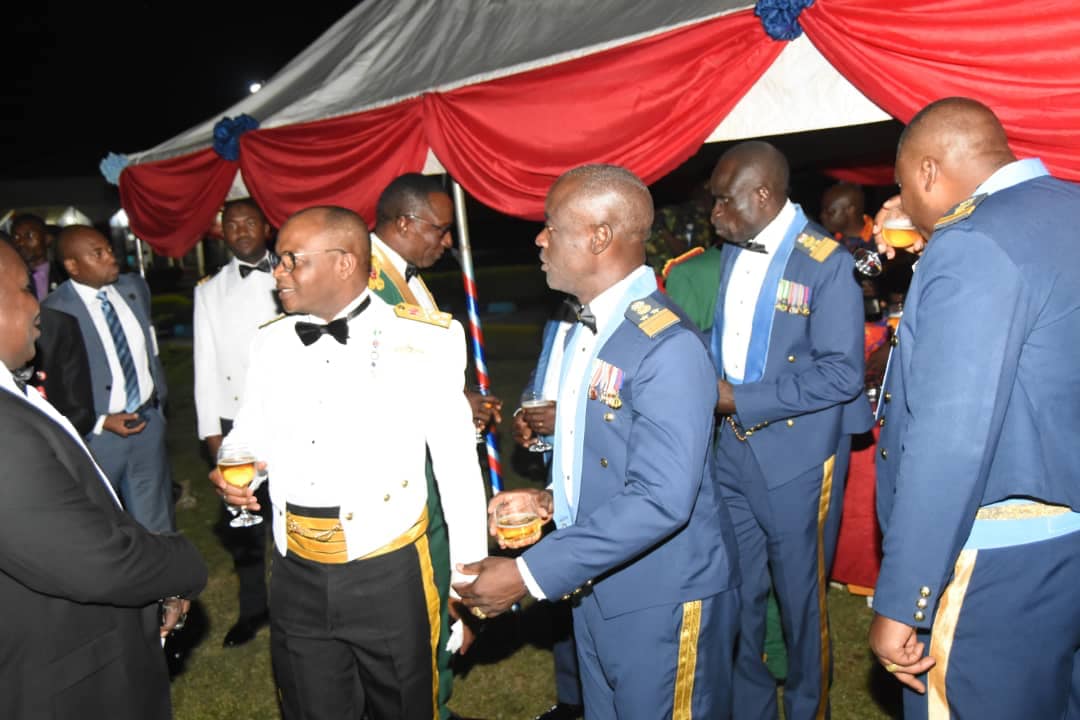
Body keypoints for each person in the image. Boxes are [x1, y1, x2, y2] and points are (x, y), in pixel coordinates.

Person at [454, 164, 741, 719]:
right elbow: (614, 454)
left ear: (599, 236)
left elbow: (661, 499)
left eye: (551, 225)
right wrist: (549, 501)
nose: (540, 239)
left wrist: (528, 574)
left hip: (662, 596)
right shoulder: (593, 328)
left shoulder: (665, 345)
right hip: (598, 581)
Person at [210, 205, 487, 720]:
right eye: (279, 259)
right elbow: (247, 434)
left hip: (389, 567)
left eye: (292, 260)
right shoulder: (270, 341)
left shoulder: (425, 339)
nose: (278, 272)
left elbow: (457, 470)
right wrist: (236, 466)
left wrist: (467, 585)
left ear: (343, 263)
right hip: (294, 567)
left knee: (404, 706)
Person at [870, 97, 1080, 719]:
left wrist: (905, 597)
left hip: (997, 555)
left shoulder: (971, 244)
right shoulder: (1065, 207)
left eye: (904, 186)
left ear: (928, 171)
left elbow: (950, 438)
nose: (903, 202)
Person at [695, 140, 871, 720]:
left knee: (800, 603)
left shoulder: (826, 262)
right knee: (737, 594)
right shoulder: (732, 250)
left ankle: (807, 708)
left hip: (797, 457)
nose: (714, 213)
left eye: (725, 201)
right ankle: (751, 708)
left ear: (764, 194)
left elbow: (841, 374)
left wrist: (738, 399)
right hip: (730, 450)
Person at [0, 239, 208, 719]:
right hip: (61, 683)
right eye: (24, 289)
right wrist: (183, 563)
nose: (37, 304)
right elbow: (96, 561)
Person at [370, 172, 501, 719]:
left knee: (433, 587)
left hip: (425, 454)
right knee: (416, 591)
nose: (446, 242)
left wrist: (459, 401)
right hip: (394, 471)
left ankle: (433, 699)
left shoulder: (405, 277)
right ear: (405, 223)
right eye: (440, 230)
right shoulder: (366, 280)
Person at [43, 225, 174, 533]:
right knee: (102, 528)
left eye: (109, 250)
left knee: (157, 525)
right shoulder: (54, 310)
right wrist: (100, 421)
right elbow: (54, 386)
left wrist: (158, 405)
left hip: (147, 423)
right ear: (72, 265)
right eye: (98, 254)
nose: (111, 258)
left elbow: (150, 350)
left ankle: (161, 565)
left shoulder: (134, 289)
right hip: (97, 438)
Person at [193, 197, 279, 647]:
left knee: (297, 512)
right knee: (244, 524)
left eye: (249, 222)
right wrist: (212, 436)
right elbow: (205, 366)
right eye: (232, 224)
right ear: (222, 233)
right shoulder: (209, 290)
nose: (241, 230)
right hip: (237, 420)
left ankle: (296, 601)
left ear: (267, 227)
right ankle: (253, 609)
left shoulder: (294, 271)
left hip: (291, 413)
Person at [510, 302, 583, 720]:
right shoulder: (558, 316)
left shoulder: (620, 316)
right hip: (558, 480)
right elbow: (544, 380)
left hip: (600, 480)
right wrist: (527, 418)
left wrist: (566, 417)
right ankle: (572, 700)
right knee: (566, 592)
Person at [10, 212, 64, 299]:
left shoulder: (63, 274)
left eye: (29, 236)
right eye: (16, 237)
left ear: (47, 239)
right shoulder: (9, 278)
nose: (20, 243)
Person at [819, 182, 875, 253]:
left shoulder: (879, 242)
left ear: (850, 210)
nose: (822, 216)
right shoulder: (827, 241)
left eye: (830, 212)